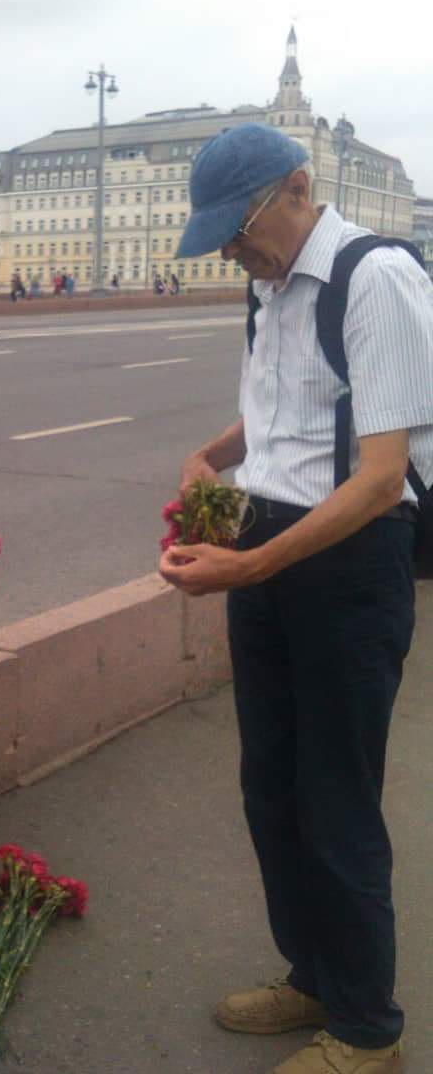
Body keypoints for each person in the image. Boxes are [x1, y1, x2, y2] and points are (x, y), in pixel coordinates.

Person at [159, 122, 432, 1074]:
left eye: (236, 230)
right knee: (271, 786)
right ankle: (312, 974)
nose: (231, 251)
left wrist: (251, 568)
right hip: (267, 546)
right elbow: (289, 406)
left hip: (350, 562)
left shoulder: (376, 277)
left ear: (296, 190)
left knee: (337, 798)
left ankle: (367, 1030)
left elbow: (380, 477)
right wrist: (216, 453)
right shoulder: (269, 284)